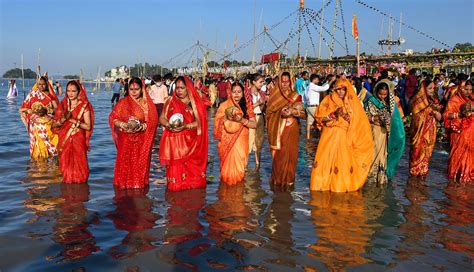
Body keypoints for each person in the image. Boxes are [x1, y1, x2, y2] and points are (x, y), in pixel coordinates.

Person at [310, 78, 374, 192]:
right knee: (325, 161)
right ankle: (322, 186)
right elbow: (319, 119)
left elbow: (359, 122)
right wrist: (334, 114)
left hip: (344, 138)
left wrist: (348, 118)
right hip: (328, 137)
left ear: (347, 90)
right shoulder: (327, 100)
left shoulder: (353, 104)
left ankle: (339, 187)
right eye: (338, 89)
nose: (340, 92)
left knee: (342, 163)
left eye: (343, 90)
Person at [159, 76, 208, 191]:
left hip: (191, 143)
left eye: (182, 88)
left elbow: (201, 123)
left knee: (193, 180)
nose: (179, 91)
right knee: (176, 182)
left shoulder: (195, 104)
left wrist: (186, 126)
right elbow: (162, 118)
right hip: (174, 146)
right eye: (177, 88)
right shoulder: (170, 101)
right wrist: (168, 125)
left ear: (189, 88)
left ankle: (192, 202)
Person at [109, 77, 159, 189]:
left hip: (142, 142)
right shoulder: (123, 102)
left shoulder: (147, 104)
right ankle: (124, 190)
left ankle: (138, 189)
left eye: (136, 89)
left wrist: (142, 127)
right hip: (126, 141)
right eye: (131, 89)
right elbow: (113, 118)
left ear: (142, 89)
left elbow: (153, 121)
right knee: (125, 167)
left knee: (138, 168)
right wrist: (123, 125)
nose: (134, 92)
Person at [266, 71, 305, 187]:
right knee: (279, 157)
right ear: (279, 82)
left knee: (291, 156)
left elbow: (304, 115)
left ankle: (288, 182)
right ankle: (278, 182)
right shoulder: (274, 97)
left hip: (291, 130)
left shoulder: (296, 96)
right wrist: (280, 113)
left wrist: (293, 111)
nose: (284, 84)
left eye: (286, 81)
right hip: (277, 131)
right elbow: (268, 113)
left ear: (291, 81)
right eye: (282, 81)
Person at [214, 82, 256, 185]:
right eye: (234, 92)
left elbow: (254, 124)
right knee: (226, 175)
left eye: (239, 92)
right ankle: (226, 196)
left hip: (241, 143)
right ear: (230, 93)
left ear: (243, 93)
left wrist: (241, 120)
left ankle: (237, 196)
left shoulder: (247, 106)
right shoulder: (224, 106)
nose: (236, 94)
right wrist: (226, 117)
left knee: (239, 173)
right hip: (226, 143)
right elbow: (217, 124)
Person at [364, 79, 405, 183]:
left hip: (386, 133)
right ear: (376, 92)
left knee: (385, 153)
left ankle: (381, 177)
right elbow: (365, 116)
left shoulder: (390, 103)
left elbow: (396, 119)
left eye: (385, 95)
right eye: (380, 94)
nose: (382, 97)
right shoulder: (371, 101)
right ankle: (372, 177)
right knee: (376, 152)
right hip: (375, 131)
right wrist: (375, 119)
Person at [53, 80, 93, 183]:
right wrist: (63, 119)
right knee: (66, 165)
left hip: (78, 138)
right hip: (64, 139)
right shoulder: (62, 106)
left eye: (73, 91)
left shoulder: (84, 106)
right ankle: (68, 187)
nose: (70, 93)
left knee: (80, 164)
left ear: (79, 92)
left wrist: (73, 120)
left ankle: (81, 188)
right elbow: (54, 125)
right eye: (68, 91)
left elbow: (88, 126)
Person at [19, 76, 59, 160]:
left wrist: (46, 111)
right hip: (35, 126)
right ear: (37, 84)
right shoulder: (32, 94)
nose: (41, 86)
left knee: (50, 147)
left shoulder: (50, 95)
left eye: (43, 84)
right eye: (39, 84)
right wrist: (34, 112)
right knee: (37, 150)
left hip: (47, 125)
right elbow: (23, 110)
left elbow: (56, 111)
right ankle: (38, 164)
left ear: (47, 84)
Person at [409, 79, 443, 177]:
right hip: (419, 134)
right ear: (423, 89)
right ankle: (414, 179)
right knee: (417, 154)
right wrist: (428, 110)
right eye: (429, 88)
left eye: (433, 88)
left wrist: (436, 112)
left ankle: (422, 175)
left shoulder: (434, 101)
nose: (432, 90)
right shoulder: (417, 101)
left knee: (426, 157)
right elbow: (416, 118)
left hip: (431, 133)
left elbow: (440, 118)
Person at [443, 80, 473, 183]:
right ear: (460, 88)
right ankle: (456, 174)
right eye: (465, 89)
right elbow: (446, 115)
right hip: (457, 131)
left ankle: (467, 173)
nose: (468, 92)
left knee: (469, 153)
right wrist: (460, 115)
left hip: (469, 133)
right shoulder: (454, 100)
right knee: (457, 153)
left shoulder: (471, 100)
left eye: (470, 89)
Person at [304, 74, 335, 139]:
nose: (318, 81)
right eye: (317, 79)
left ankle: (308, 137)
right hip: (313, 107)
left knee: (309, 124)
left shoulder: (308, 87)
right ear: (314, 79)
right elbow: (324, 88)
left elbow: (321, 88)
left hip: (308, 107)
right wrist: (331, 81)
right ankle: (324, 137)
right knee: (321, 120)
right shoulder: (313, 86)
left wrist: (327, 81)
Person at [247, 73, 267, 170]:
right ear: (254, 82)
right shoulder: (247, 93)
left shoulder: (261, 93)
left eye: (263, 82)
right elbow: (246, 108)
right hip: (250, 118)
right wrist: (257, 103)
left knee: (259, 141)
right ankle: (245, 165)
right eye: (260, 82)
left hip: (260, 118)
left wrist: (262, 104)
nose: (262, 84)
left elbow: (263, 108)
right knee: (248, 142)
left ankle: (257, 165)